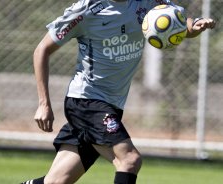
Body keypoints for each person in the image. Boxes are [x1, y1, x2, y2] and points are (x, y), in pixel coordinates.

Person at [21, 0, 216, 183]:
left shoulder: (146, 3)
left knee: (56, 181)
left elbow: (177, 22)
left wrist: (194, 25)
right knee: (129, 160)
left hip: (111, 105)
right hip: (87, 102)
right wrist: (44, 104)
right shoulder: (86, 10)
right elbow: (42, 50)